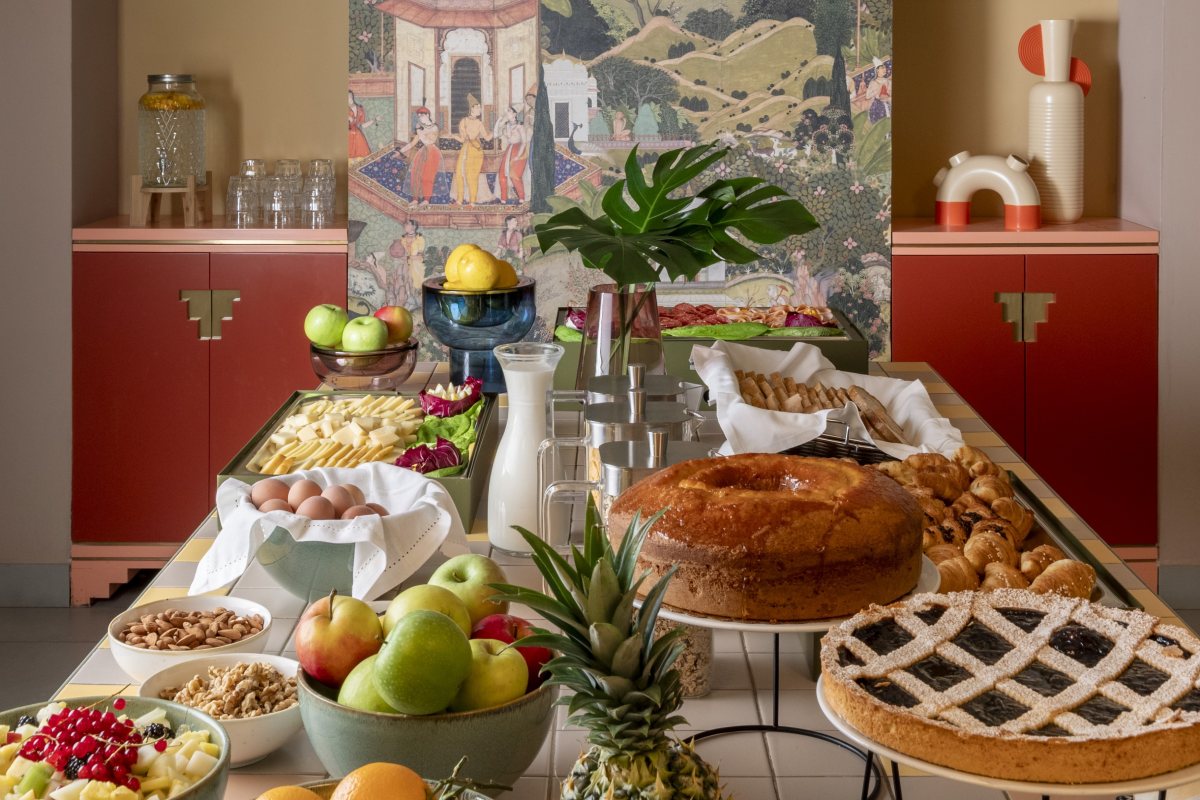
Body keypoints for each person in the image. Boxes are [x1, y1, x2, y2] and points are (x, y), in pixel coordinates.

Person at [399, 107, 441, 205]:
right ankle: (415, 199)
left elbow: (430, 141)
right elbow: (412, 143)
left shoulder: (434, 127)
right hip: (422, 153)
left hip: (432, 152)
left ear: (428, 115)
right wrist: (400, 151)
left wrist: (420, 131)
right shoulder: (420, 129)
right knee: (415, 174)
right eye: (418, 116)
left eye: (421, 115)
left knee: (428, 176)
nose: (420, 118)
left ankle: (426, 199)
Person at [452, 96, 488, 205]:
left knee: (472, 176)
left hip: (476, 151)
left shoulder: (479, 123)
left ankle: (472, 201)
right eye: (478, 108)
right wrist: (453, 136)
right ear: (471, 109)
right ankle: (459, 199)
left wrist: (497, 130)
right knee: (459, 173)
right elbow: (463, 139)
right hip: (465, 149)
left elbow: (486, 137)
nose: (480, 110)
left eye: (480, 108)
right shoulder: (464, 121)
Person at [389, 219, 427, 304]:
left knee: (415, 278)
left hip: (416, 264)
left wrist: (408, 258)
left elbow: (420, 256)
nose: (405, 226)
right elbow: (399, 252)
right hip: (404, 263)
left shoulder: (419, 238)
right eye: (405, 224)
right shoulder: (402, 238)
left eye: (407, 224)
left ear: (413, 227)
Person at [495, 106, 528, 203]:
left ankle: (522, 198)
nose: (506, 113)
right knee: (502, 175)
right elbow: (496, 135)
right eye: (506, 112)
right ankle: (503, 199)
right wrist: (499, 121)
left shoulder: (520, 126)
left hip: (518, 150)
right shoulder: (507, 126)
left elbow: (524, 142)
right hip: (509, 150)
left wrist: (518, 155)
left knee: (515, 175)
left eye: (508, 111)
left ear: (514, 114)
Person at [348, 90, 377, 160]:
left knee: (362, 158)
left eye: (350, 96)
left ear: (352, 96)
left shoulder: (360, 108)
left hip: (358, 136)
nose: (349, 98)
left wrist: (375, 120)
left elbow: (363, 125)